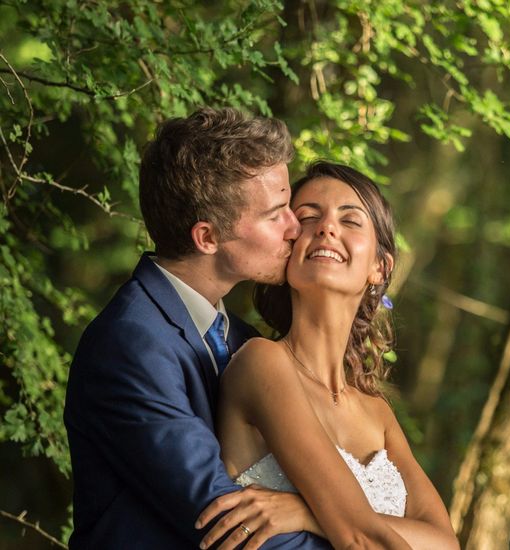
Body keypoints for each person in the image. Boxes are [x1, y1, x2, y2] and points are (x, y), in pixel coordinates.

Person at [64, 108, 330, 549]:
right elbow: (225, 520)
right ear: (207, 237)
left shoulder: (244, 340)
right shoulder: (131, 346)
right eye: (275, 213)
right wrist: (356, 539)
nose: (294, 227)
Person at [197, 162, 459, 550]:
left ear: (379, 267)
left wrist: (306, 512)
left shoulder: (377, 412)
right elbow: (359, 537)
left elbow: (446, 544)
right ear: (287, 249)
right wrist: (339, 520)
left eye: (350, 220)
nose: (327, 227)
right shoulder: (261, 363)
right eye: (307, 217)